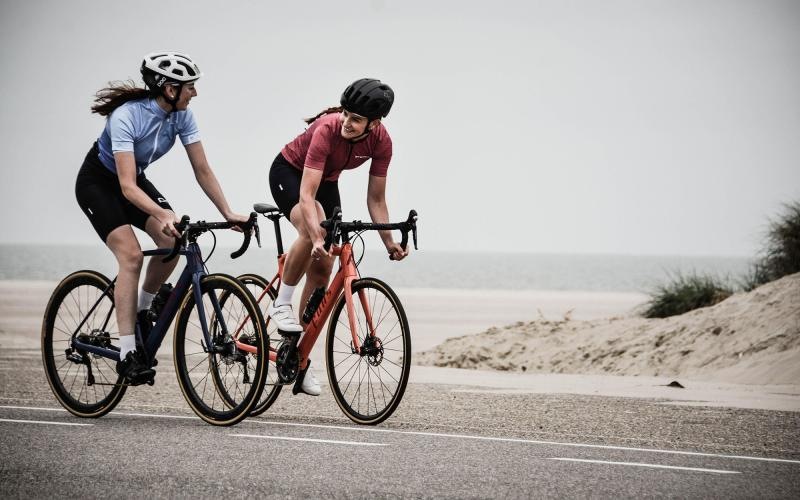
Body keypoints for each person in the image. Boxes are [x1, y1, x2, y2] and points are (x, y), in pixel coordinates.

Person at [75, 52, 249, 384]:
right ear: (170, 90)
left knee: (172, 238)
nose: (194, 93)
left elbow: (202, 169)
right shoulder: (126, 117)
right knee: (131, 256)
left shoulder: (183, 116)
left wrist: (226, 212)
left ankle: (143, 309)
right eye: (190, 87)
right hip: (99, 184)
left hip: (133, 181)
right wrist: (161, 211)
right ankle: (127, 353)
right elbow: (126, 187)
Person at [267, 78, 408, 396]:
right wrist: (316, 235)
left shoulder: (382, 143)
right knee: (310, 227)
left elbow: (376, 200)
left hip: (327, 181)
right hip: (290, 173)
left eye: (356, 119)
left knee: (324, 266)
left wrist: (389, 242)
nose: (346, 122)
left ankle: (297, 355)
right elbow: (306, 195)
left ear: (374, 123)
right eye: (346, 113)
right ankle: (282, 303)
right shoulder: (327, 129)